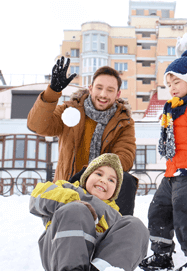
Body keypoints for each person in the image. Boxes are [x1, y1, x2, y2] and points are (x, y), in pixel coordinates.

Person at [27, 56, 138, 216]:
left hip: (102, 188)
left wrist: (94, 173)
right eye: (99, 88)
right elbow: (37, 125)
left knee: (127, 181)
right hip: (69, 185)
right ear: (90, 88)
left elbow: (125, 156)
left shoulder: (123, 122)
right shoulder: (70, 111)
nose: (103, 94)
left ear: (118, 94)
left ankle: (117, 230)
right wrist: (52, 92)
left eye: (110, 90)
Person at [139, 50, 187, 271]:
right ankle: (162, 254)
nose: (172, 87)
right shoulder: (175, 109)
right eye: (169, 83)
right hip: (172, 173)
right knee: (158, 210)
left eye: (177, 81)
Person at [29, 153, 149, 271]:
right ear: (87, 176)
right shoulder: (66, 188)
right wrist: (73, 200)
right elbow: (37, 197)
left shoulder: (115, 215)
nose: (103, 181)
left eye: (111, 180)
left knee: (136, 226)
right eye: (98, 174)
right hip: (60, 253)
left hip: (96, 260)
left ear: (115, 191)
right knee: (77, 209)